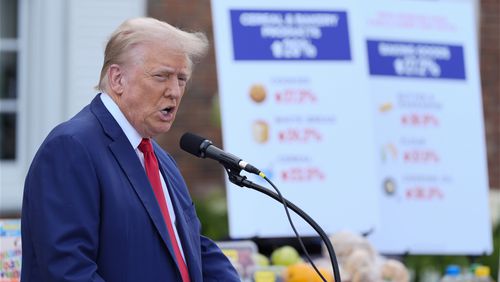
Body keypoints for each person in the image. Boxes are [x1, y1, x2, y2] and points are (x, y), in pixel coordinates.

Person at [21, 17, 240, 282]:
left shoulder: (160, 158)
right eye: (161, 76)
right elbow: (68, 271)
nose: (174, 91)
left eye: (182, 79)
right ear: (117, 79)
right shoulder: (71, 147)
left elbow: (191, 247)